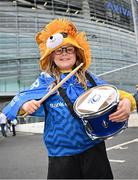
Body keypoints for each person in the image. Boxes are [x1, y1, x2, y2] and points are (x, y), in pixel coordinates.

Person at [2, 19, 136, 179]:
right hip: (61, 156)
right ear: (51, 56)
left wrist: (127, 101)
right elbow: (18, 101)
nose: (64, 53)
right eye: (58, 51)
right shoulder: (45, 80)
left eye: (68, 49)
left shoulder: (88, 77)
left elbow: (115, 93)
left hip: (94, 149)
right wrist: (26, 105)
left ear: (77, 53)